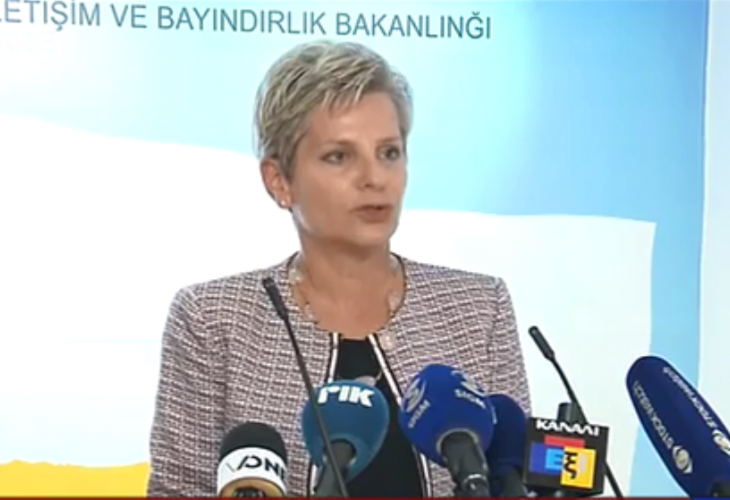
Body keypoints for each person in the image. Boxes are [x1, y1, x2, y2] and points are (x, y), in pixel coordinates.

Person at [146, 40, 531, 497]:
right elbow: (178, 490)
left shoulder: (479, 308)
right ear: (279, 181)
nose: (374, 177)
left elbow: (516, 479)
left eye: (389, 152)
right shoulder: (212, 319)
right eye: (339, 156)